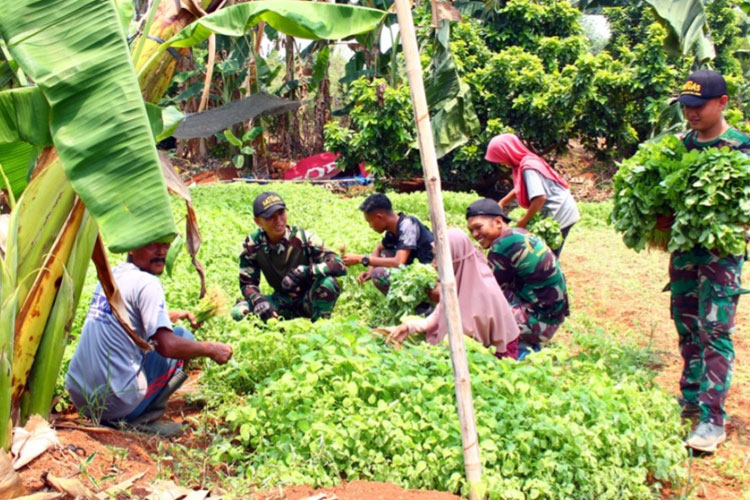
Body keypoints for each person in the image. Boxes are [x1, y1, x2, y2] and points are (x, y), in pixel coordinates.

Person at [66, 241, 233, 436]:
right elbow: (167, 346)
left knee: (172, 334)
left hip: (81, 398)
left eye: (166, 245)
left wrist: (179, 314)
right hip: (114, 405)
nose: (162, 252)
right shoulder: (148, 283)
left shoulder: (111, 275)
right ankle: (142, 419)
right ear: (131, 245)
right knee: (182, 336)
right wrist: (210, 348)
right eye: (152, 245)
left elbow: (129, 318)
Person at [665, 70, 750, 453]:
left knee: (714, 332)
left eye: (698, 107)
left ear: (723, 103)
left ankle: (712, 420)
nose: (691, 114)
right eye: (686, 107)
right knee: (686, 326)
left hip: (722, 258)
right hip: (684, 255)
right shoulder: (680, 146)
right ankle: (690, 400)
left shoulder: (742, 149)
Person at [388, 229, 520, 359]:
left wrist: (431, 353)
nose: (433, 264)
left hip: (493, 357)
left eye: (437, 257)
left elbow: (469, 344)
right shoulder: (458, 280)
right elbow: (439, 314)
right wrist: (409, 327)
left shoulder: (485, 292)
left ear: (454, 259)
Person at [465, 199, 569, 359]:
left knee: (480, 311)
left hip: (541, 323)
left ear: (498, 222)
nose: (475, 235)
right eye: (471, 230)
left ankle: (517, 352)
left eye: (478, 227)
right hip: (553, 315)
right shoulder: (519, 233)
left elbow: (489, 292)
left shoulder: (502, 245)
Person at [231, 192, 345, 322]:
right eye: (270, 217)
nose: (278, 221)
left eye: (281, 213)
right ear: (258, 221)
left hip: (309, 298)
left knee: (327, 284)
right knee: (239, 312)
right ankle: (273, 327)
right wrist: (258, 301)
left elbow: (339, 265)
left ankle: (321, 327)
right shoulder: (253, 244)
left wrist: (306, 271)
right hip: (281, 300)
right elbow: (247, 283)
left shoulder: (305, 239)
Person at [485, 133, 579, 257]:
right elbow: (521, 187)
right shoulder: (526, 161)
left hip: (561, 212)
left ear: (508, 153)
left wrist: (523, 221)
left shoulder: (528, 168)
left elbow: (540, 198)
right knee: (543, 252)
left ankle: (550, 274)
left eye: (500, 159)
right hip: (562, 208)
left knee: (546, 255)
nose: (501, 164)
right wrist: (503, 202)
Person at [342, 193, 435, 294]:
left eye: (369, 221)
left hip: (431, 274)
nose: (370, 226)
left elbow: (399, 262)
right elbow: (377, 249)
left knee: (379, 274)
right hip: (415, 270)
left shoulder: (408, 224)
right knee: (384, 254)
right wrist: (370, 271)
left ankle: (421, 305)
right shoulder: (392, 231)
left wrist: (362, 259)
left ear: (379, 217)